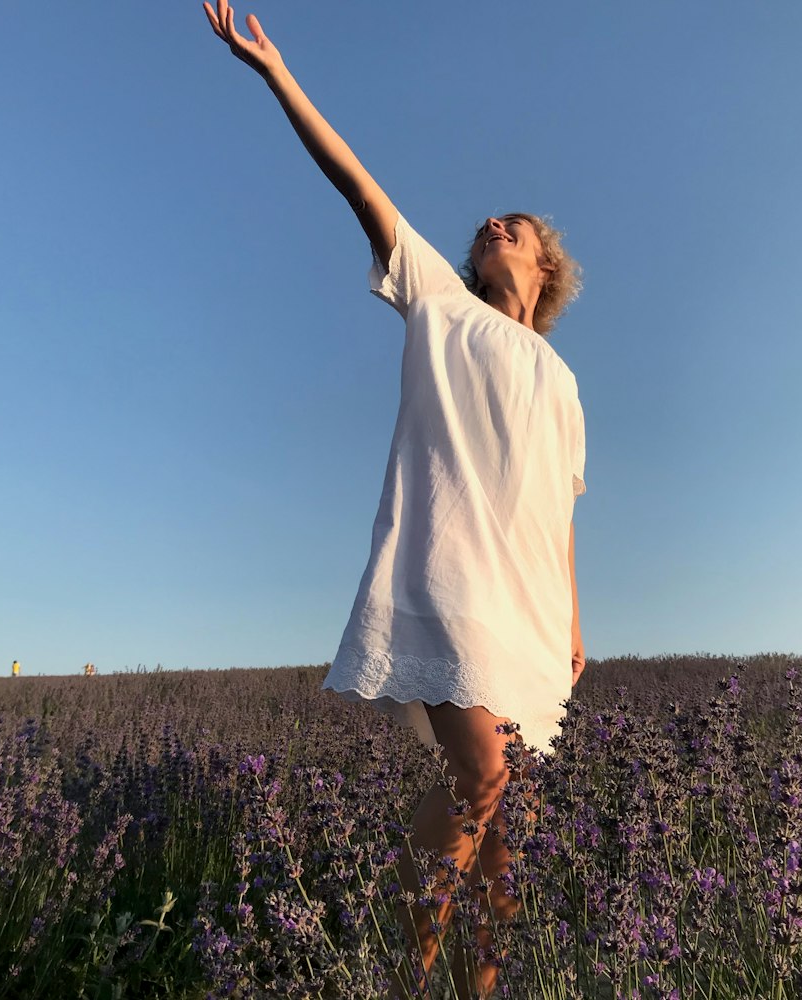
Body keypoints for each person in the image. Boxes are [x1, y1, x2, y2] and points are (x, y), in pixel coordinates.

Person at [202, 7, 587, 998]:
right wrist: (276, 73)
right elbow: (357, 182)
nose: (490, 226)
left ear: (543, 267)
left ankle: (474, 992)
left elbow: (561, 505)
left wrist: (577, 620)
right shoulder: (441, 302)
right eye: (486, 226)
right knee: (483, 780)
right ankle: (398, 979)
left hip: (535, 611)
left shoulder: (562, 377)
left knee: (512, 836)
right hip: (450, 574)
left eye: (514, 225)